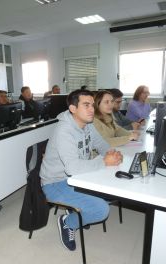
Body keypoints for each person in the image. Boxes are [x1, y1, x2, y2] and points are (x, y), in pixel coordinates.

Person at [40, 89, 122, 251]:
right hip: (55, 183)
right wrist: (105, 162)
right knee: (101, 209)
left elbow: (101, 144)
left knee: (111, 192)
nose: (92, 109)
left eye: (92, 104)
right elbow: (72, 168)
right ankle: (67, 222)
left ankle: (81, 215)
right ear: (73, 109)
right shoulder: (64, 131)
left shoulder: (87, 124)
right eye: (86, 105)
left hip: (77, 178)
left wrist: (112, 153)